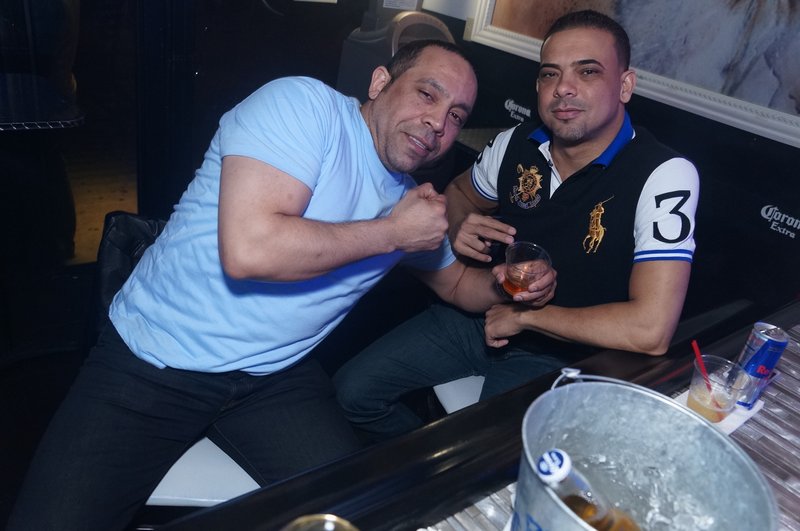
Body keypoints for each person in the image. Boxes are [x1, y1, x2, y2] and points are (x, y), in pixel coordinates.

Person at [7, 40, 536, 531]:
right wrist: (392, 233)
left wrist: (509, 287)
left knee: (360, 515)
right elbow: (251, 250)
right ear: (380, 82)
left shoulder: (410, 202)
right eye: (427, 93)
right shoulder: (304, 107)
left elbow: (457, 285)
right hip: (156, 360)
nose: (438, 122)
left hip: (275, 378)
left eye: (456, 116)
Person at [334, 10, 699, 443]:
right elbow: (459, 193)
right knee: (351, 394)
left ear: (625, 85)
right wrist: (458, 223)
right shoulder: (515, 143)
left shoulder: (664, 174)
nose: (563, 88)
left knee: (480, 450)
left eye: (587, 71)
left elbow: (651, 330)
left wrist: (528, 319)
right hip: (480, 314)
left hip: (565, 353)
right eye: (550, 74)